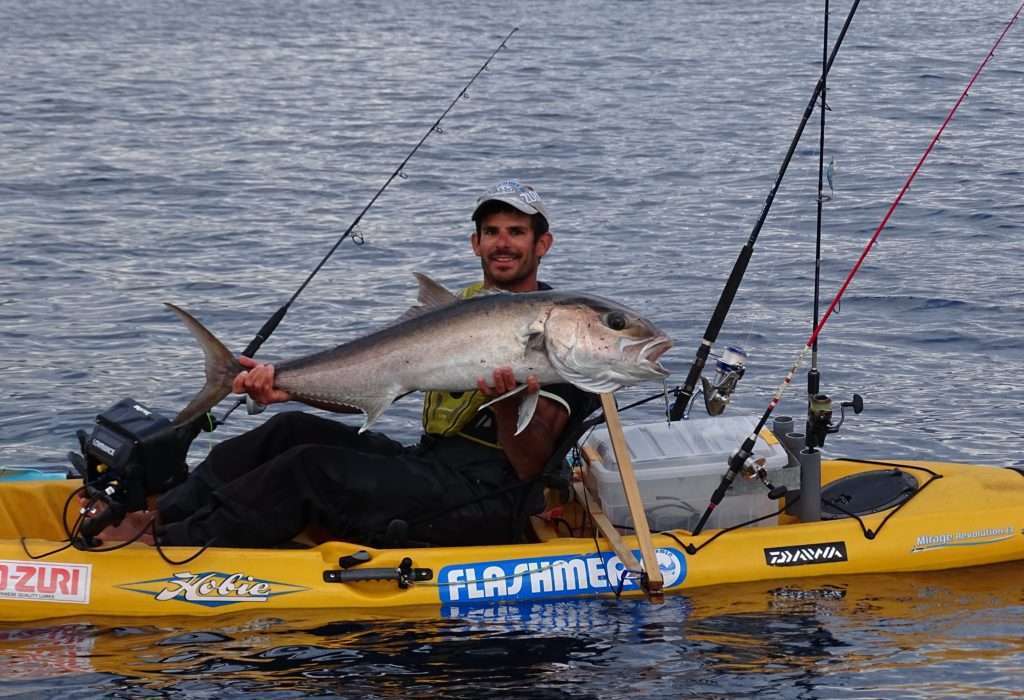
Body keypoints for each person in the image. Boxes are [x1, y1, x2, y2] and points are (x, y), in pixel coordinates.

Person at [100, 179, 594, 549]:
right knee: (288, 430)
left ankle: (173, 547)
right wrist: (285, 388)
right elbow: (374, 385)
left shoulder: (564, 338)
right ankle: (161, 514)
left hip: (487, 500)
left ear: (541, 245)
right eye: (491, 232)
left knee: (308, 469)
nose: (502, 243)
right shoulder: (457, 314)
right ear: (475, 243)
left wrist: (507, 404)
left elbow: (531, 466)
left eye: (516, 232)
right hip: (430, 464)